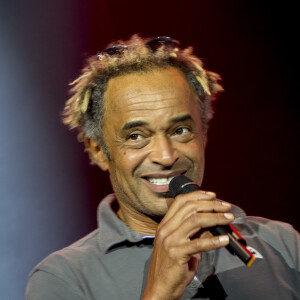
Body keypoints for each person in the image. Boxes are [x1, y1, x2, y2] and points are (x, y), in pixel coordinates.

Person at [26, 35, 300, 300]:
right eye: (136, 136)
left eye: (180, 130)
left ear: (204, 134)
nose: (166, 156)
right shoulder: (62, 278)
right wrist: (160, 293)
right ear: (98, 150)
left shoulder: (283, 244)